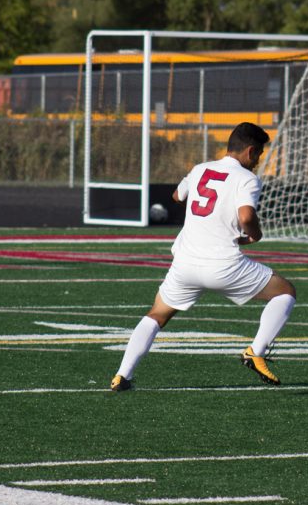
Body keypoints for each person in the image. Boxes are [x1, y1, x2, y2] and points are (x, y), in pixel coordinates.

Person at [110, 122, 296, 391]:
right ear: (250, 151)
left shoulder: (200, 169)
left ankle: (122, 375)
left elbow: (177, 195)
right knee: (285, 292)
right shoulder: (246, 179)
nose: (256, 162)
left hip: (185, 263)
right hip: (224, 265)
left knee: (157, 314)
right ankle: (256, 351)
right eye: (257, 156)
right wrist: (255, 235)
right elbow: (246, 216)